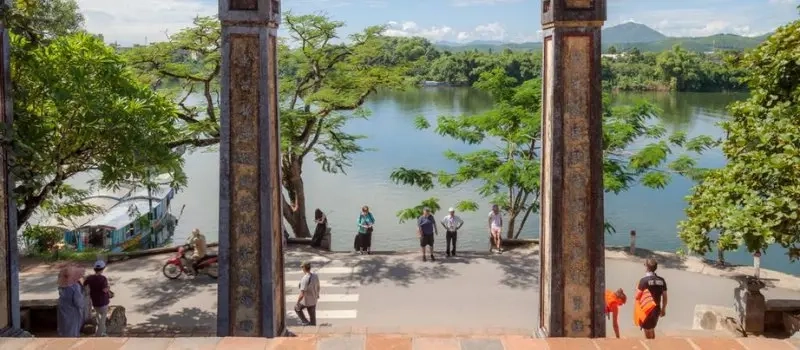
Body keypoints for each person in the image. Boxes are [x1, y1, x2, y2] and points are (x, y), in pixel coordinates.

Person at [635, 258, 668, 339]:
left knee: (646, 329)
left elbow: (637, 296)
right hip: (657, 309)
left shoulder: (643, 281)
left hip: (647, 309)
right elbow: (665, 296)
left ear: (647, 267)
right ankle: (653, 345)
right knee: (652, 328)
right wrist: (663, 309)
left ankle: (650, 346)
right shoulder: (662, 280)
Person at [84, 261, 112, 337]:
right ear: (102, 269)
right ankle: (99, 334)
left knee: (99, 317)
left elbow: (84, 284)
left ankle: (103, 332)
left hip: (94, 301)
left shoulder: (90, 278)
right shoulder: (103, 279)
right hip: (103, 301)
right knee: (102, 319)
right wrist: (109, 288)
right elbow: (104, 290)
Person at [57, 266, 86, 337]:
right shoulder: (75, 286)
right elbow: (79, 302)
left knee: (64, 330)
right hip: (73, 313)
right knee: (73, 332)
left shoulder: (62, 285)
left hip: (63, 311)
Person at [294, 261, 321, 326]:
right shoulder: (315, 276)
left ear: (304, 268)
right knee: (312, 318)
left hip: (307, 301)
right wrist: (317, 294)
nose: (302, 269)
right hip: (314, 299)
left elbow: (302, 294)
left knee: (297, 308)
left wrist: (297, 302)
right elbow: (318, 286)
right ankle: (313, 327)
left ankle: (305, 321)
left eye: (302, 267)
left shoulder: (305, 279)